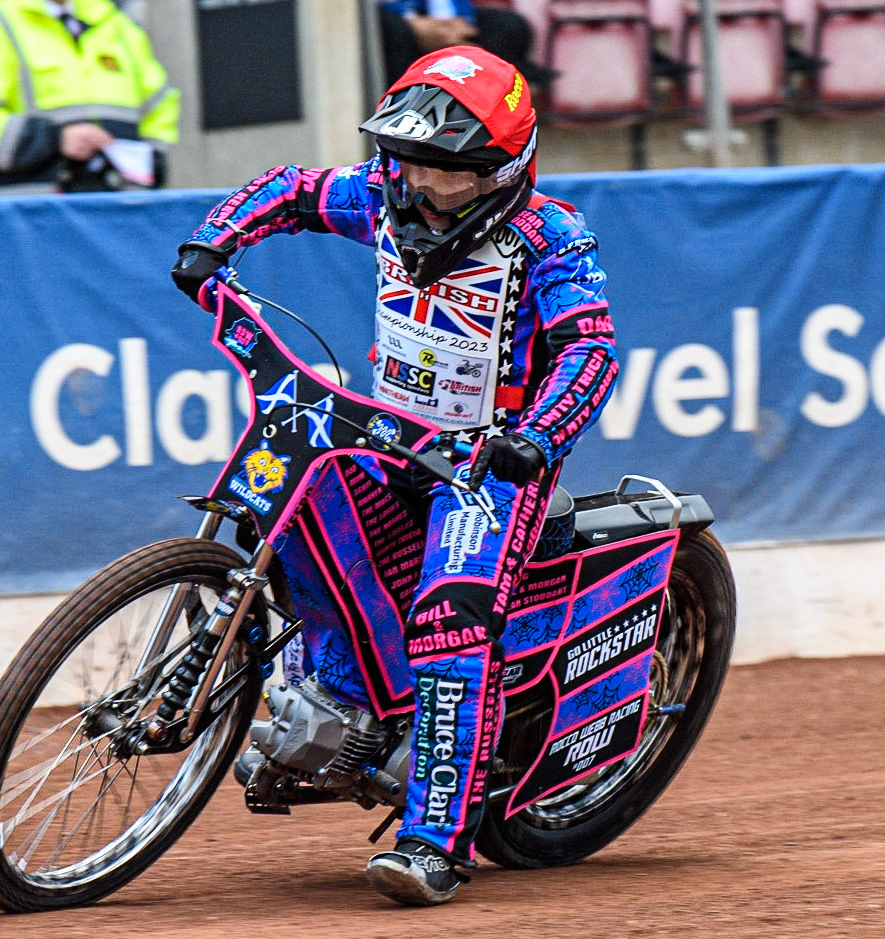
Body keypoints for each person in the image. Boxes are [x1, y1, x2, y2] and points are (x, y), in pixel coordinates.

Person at [170, 46, 618, 906]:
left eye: (445, 173)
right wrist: (212, 242)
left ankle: (433, 841)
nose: (418, 185)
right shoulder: (381, 191)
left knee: (450, 618)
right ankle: (343, 710)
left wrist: (537, 435)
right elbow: (292, 189)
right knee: (286, 506)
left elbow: (589, 350)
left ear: (503, 170)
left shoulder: (551, 239)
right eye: (406, 162)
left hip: (489, 467)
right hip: (388, 435)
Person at [0, 0, 178, 196]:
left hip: (116, 213)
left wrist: (149, 161)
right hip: (31, 218)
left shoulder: (120, 28)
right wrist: (54, 139)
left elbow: (159, 107)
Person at [378, 1, 555, 92]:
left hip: (442, 21)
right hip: (398, 23)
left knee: (509, 25)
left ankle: (498, 93)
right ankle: (404, 103)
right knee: (395, 30)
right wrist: (415, 25)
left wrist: (456, 25)